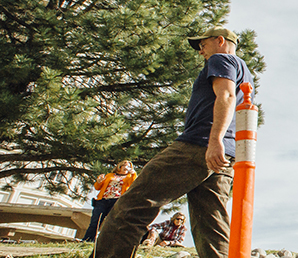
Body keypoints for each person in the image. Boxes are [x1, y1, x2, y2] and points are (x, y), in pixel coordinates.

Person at [93, 26, 254, 258]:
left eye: (202, 45)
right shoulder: (244, 70)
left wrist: (214, 140)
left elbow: (226, 96)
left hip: (199, 145)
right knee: (212, 225)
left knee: (132, 206)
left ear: (220, 40)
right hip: (224, 155)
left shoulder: (221, 59)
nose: (201, 52)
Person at [82, 160, 137, 242]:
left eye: (129, 165)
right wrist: (99, 181)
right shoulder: (110, 175)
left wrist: (133, 174)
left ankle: (107, 242)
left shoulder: (129, 177)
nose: (126, 167)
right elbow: (97, 187)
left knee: (113, 222)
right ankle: (88, 239)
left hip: (116, 201)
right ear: (120, 166)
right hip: (103, 200)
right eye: (125, 165)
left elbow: (134, 184)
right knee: (96, 220)